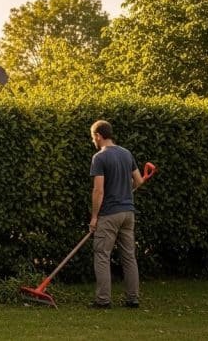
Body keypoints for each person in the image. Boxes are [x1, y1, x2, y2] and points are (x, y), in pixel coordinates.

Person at [88, 120, 145, 309]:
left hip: (109, 214)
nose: (93, 141)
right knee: (129, 256)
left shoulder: (100, 157)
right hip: (128, 213)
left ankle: (103, 300)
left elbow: (98, 191)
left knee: (102, 255)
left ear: (98, 135)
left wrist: (94, 217)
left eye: (93, 137)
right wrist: (126, 189)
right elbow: (138, 181)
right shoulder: (126, 153)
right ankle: (133, 299)